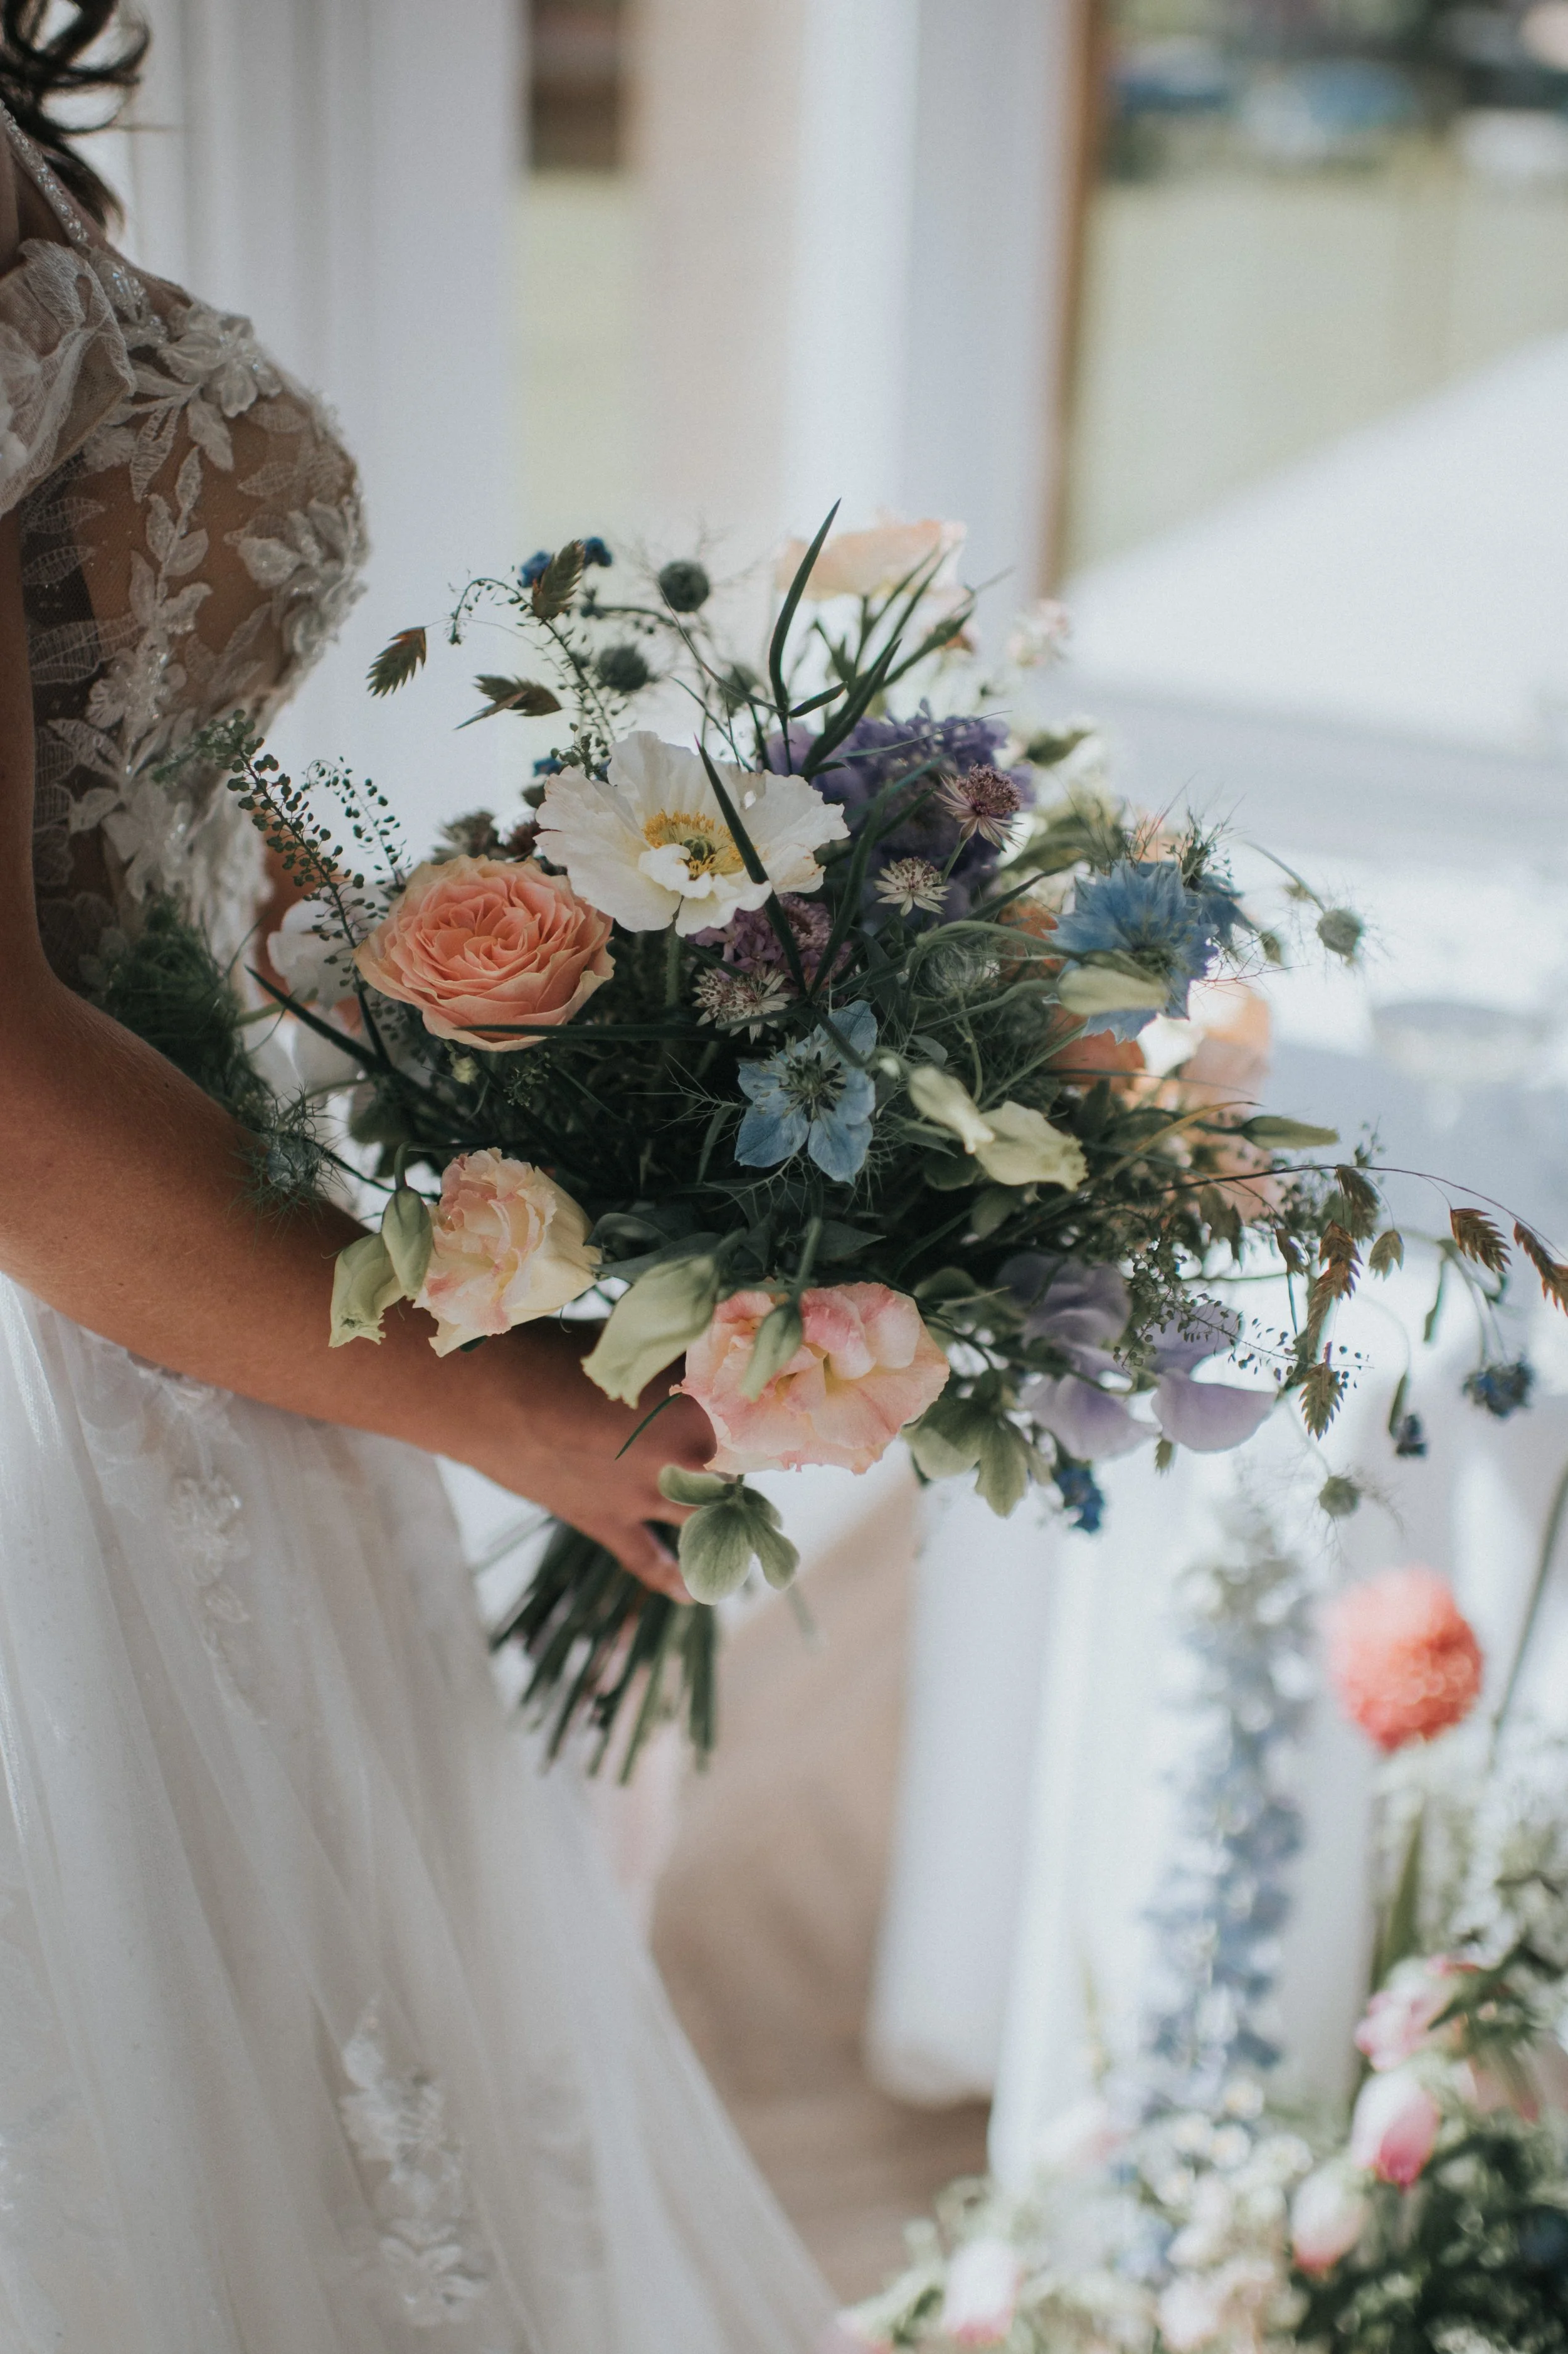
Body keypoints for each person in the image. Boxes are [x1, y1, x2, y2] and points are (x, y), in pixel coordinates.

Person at [0, 4, 831, 2345]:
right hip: (82, 1363)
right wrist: (521, 1408)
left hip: (228, 1321)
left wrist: (501, 974)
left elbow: (148, 769)